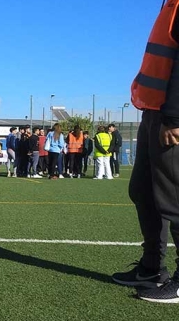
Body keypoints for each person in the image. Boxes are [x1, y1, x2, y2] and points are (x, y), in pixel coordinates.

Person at [112, 1, 179, 302]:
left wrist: (175, 117)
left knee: (174, 199)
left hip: (170, 117)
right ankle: (152, 267)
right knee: (143, 190)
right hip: (154, 113)